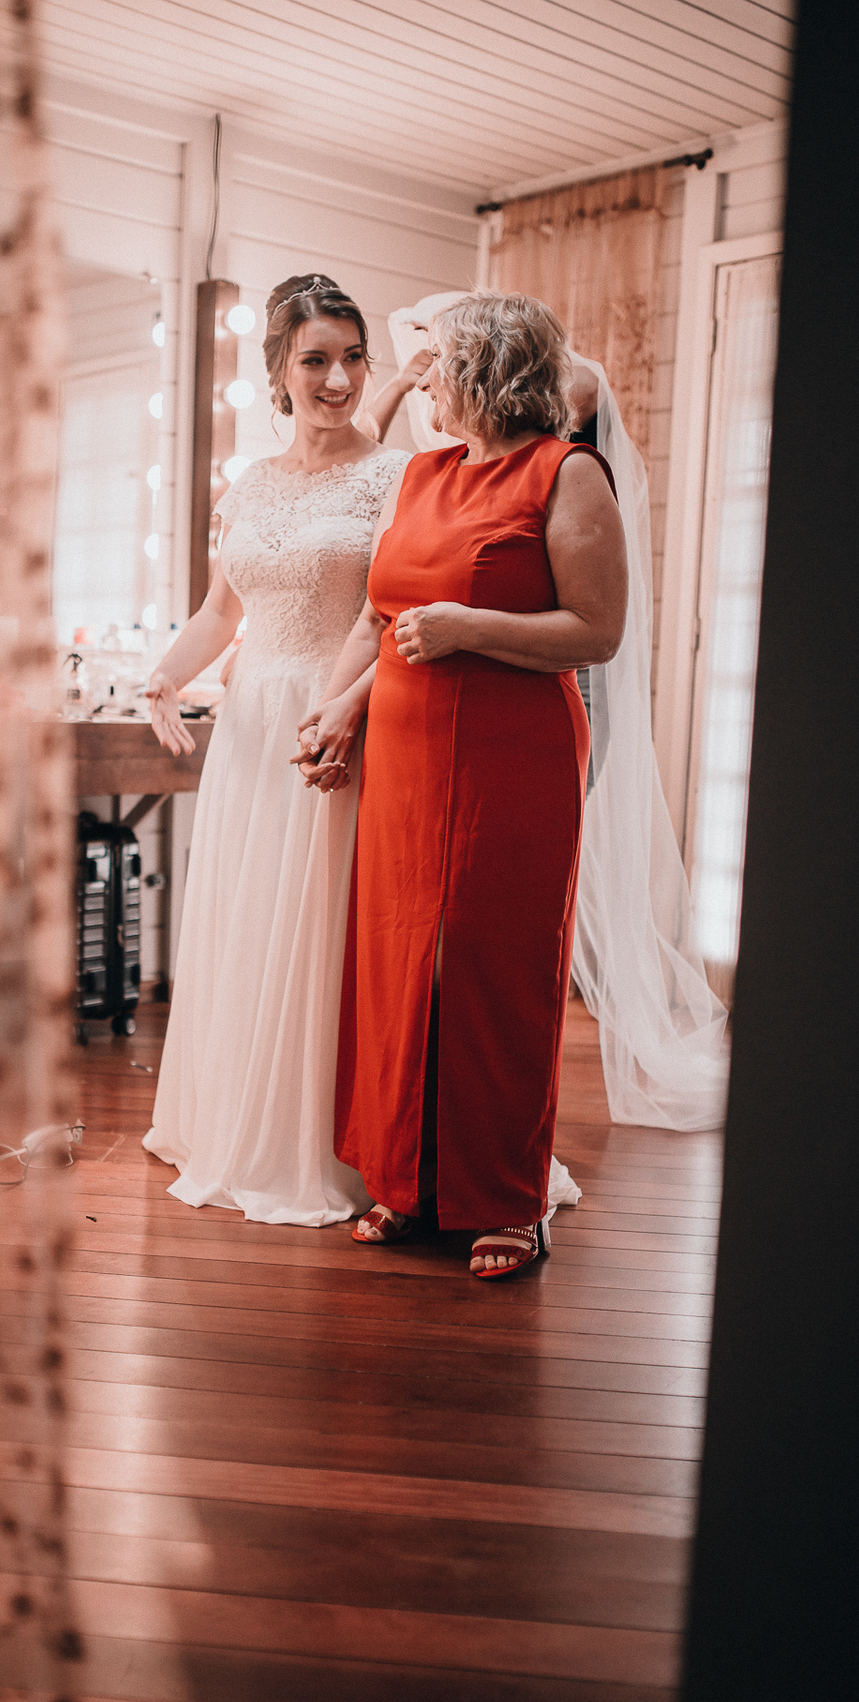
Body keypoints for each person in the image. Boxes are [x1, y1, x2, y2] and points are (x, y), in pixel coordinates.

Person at [297, 291, 628, 1276]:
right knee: (397, 959)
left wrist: (466, 628)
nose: (422, 378)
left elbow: (597, 632)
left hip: (512, 755)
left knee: (494, 968)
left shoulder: (566, 474)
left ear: (485, 368)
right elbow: (377, 618)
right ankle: (405, 1180)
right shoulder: (423, 474)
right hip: (403, 753)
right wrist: (334, 710)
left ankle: (507, 1199)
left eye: (436, 361)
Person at [140, 274, 409, 1226]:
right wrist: (165, 676)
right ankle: (231, 1117)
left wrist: (337, 713)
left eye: (353, 358)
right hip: (250, 724)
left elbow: (388, 614)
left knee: (319, 923)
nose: (338, 379)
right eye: (316, 360)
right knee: (249, 913)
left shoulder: (395, 477)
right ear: (278, 374)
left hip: (334, 718)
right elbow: (222, 612)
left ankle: (319, 1138)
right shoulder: (250, 482)